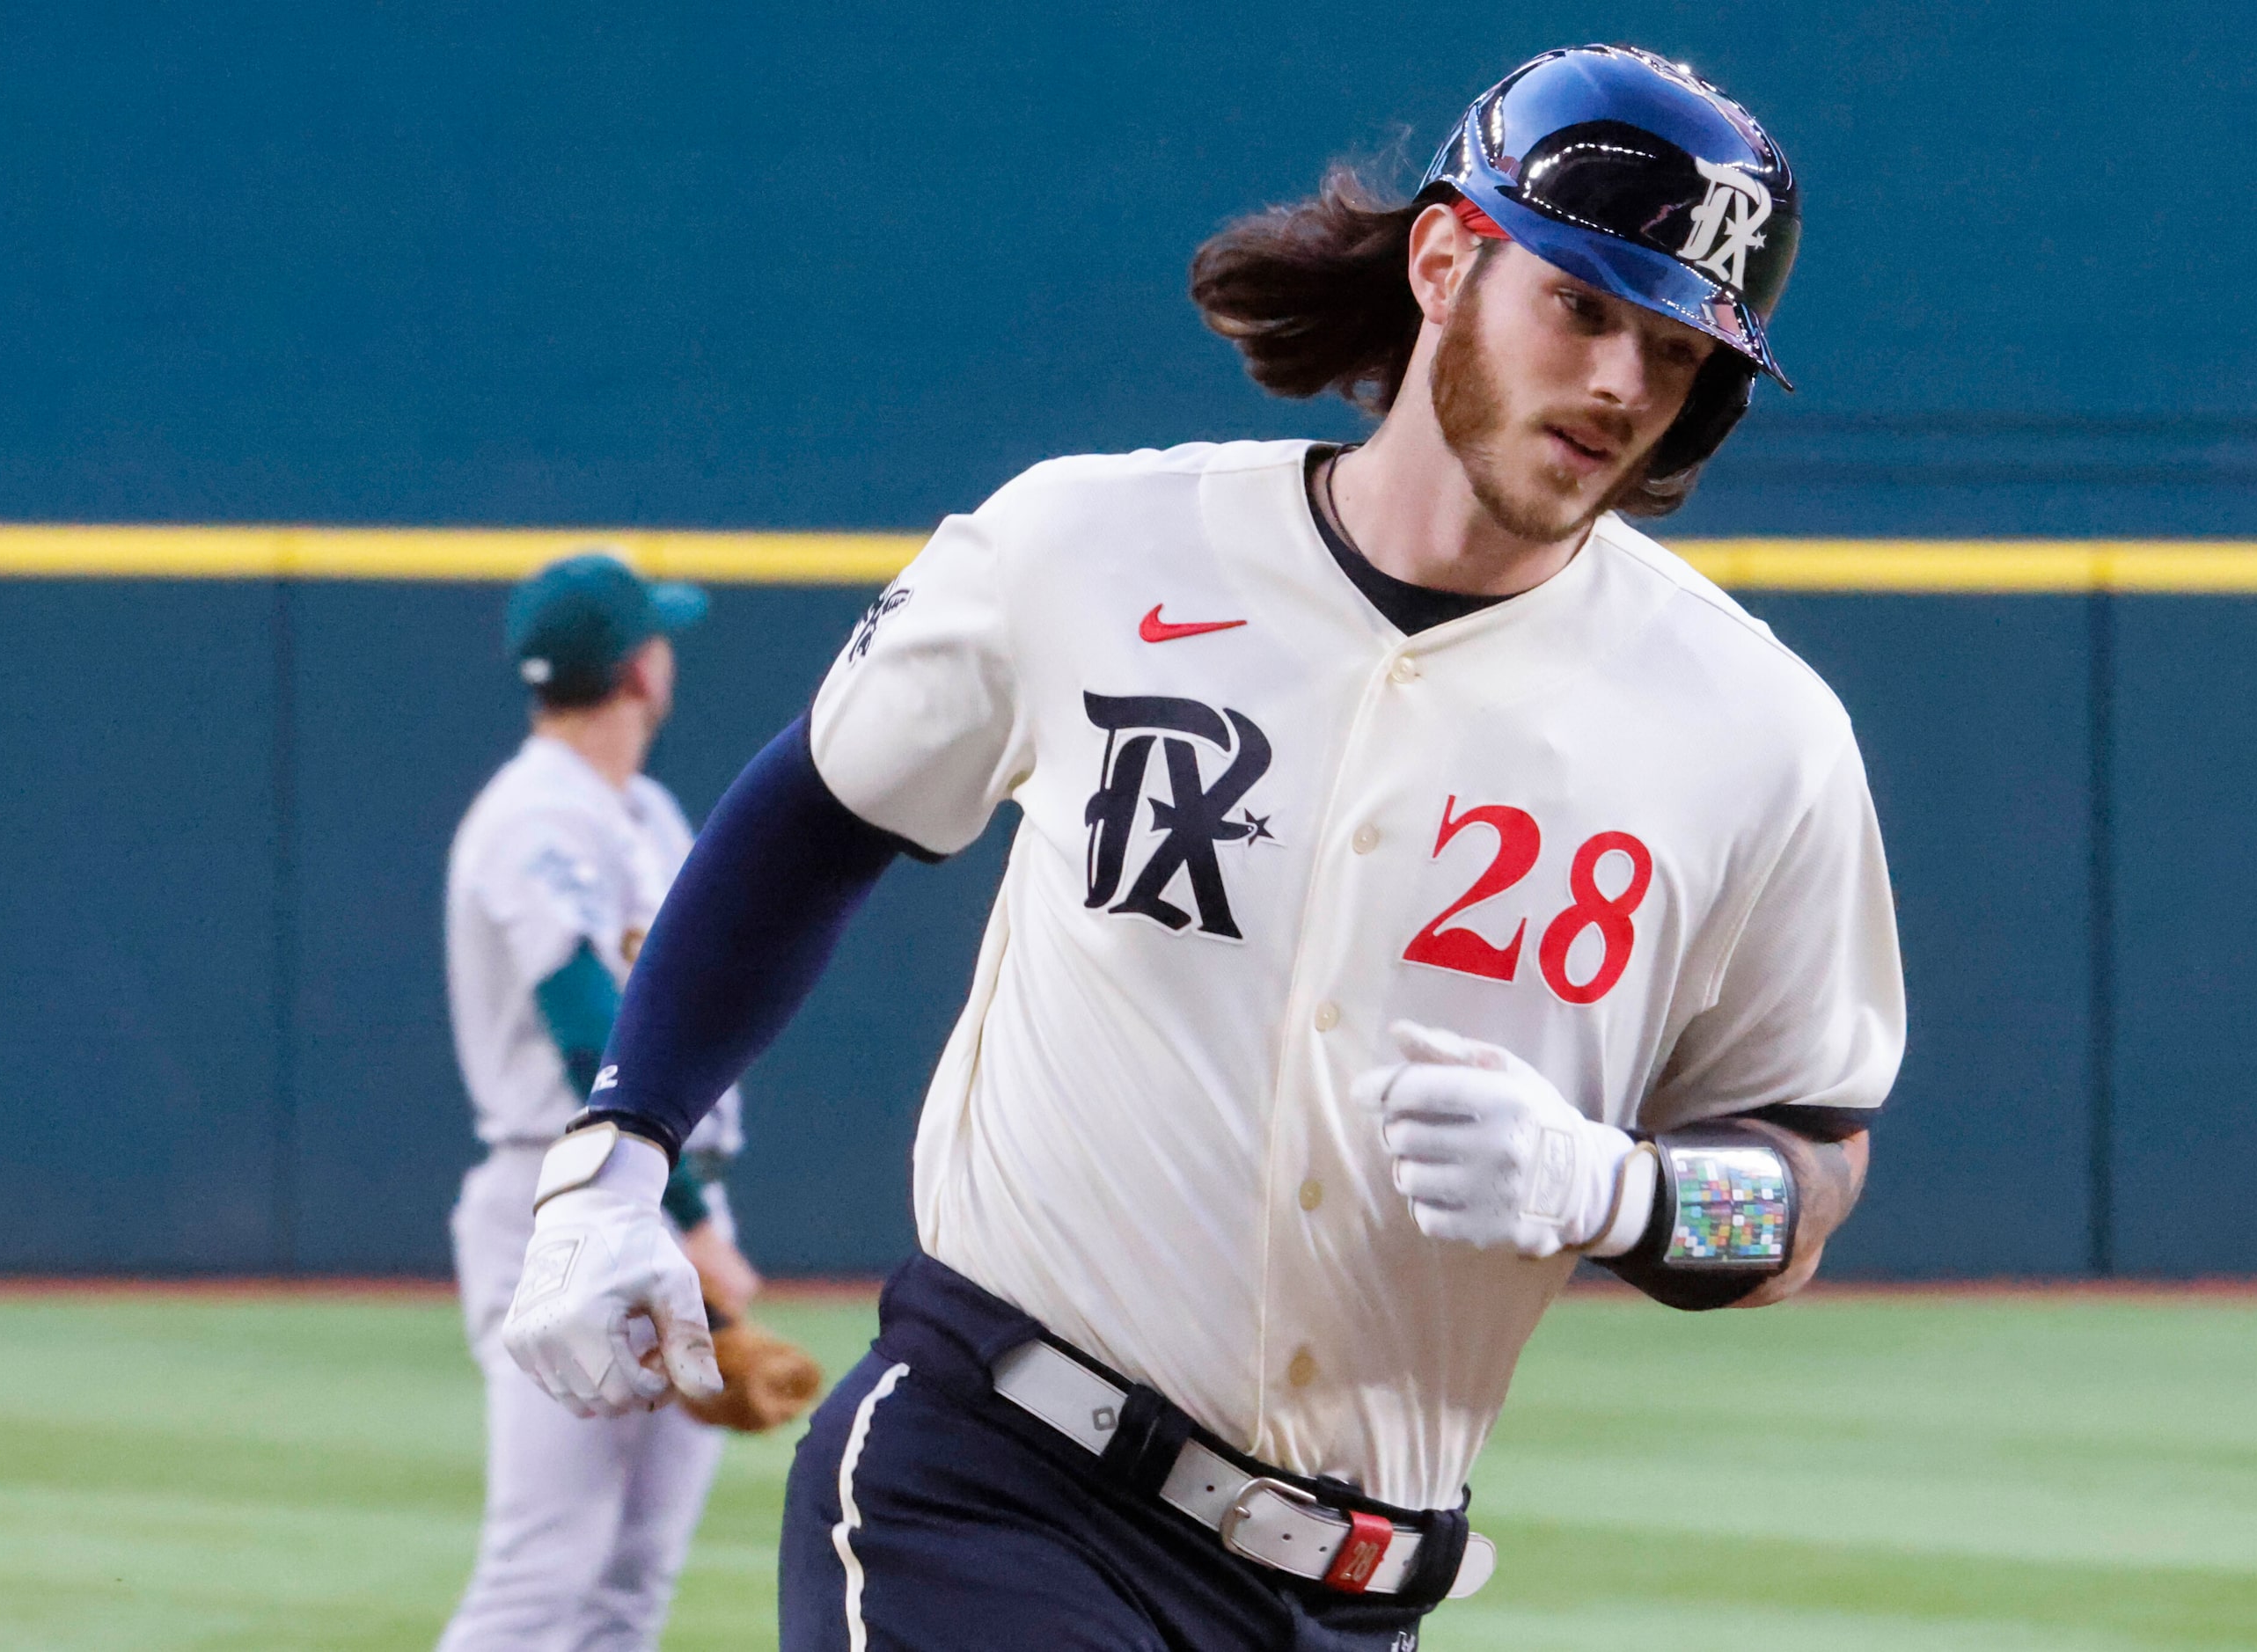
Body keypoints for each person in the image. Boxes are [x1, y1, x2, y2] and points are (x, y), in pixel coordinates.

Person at [501, 45, 1904, 1652]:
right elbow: (818, 812)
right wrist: (617, 1154)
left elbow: (1803, 1185)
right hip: (996, 1483)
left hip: (1356, 1593)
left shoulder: (1753, 730)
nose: (1619, 383)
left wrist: (1626, 1191)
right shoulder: (1094, 547)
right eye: (1581, 304)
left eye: (1674, 349)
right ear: (1445, 259)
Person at [438, 552, 764, 1650]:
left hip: (663, 1194)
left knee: (632, 1579)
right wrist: (695, 1228)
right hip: (570, 1203)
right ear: (638, 671)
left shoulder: (644, 809)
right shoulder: (535, 816)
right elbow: (589, 1030)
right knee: (546, 1573)